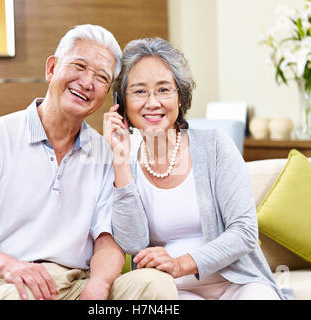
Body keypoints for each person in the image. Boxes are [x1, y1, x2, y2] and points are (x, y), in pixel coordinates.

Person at [0, 25, 177, 300]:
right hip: (2, 283)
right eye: (79, 66)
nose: (87, 82)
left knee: (155, 285)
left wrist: (98, 287)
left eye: (101, 77)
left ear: (107, 96)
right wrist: (14, 268)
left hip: (73, 284)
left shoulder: (104, 152)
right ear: (52, 68)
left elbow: (107, 240)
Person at [103, 37, 293, 300]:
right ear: (122, 104)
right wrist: (121, 163)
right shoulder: (125, 162)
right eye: (139, 91)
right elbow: (133, 244)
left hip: (238, 283)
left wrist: (180, 263)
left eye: (163, 90)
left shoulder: (215, 145)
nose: (153, 102)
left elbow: (245, 232)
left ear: (180, 96)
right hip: (172, 291)